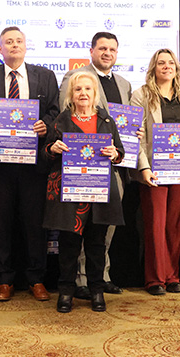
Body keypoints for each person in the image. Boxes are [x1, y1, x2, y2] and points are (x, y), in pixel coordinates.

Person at [0, 26, 60, 302]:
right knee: (0, 222)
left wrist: (44, 125)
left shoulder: (45, 76)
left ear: (26, 46)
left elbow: (56, 112)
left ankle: (36, 279)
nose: (14, 46)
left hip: (34, 163)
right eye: (8, 42)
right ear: (0, 49)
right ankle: (4, 280)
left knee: (35, 223)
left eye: (18, 41)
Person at [42, 70, 124, 313]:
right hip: (70, 195)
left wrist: (114, 154)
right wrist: (53, 148)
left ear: (95, 93)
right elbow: (45, 154)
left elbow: (120, 153)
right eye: (78, 89)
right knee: (68, 245)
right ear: (71, 94)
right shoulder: (61, 121)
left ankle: (97, 290)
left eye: (88, 89)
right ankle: (66, 291)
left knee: (96, 245)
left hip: (99, 195)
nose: (83, 93)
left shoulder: (106, 121)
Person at [58, 32, 132, 298]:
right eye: (102, 48)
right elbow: (64, 122)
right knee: (76, 230)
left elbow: (121, 130)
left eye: (112, 49)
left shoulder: (123, 83)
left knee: (102, 230)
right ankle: (79, 281)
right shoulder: (76, 77)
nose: (107, 53)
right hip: (77, 174)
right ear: (91, 51)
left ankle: (100, 277)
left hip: (109, 171)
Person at [131, 48, 180, 296]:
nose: (166, 66)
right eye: (161, 63)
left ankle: (172, 276)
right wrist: (144, 167)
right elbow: (135, 136)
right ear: (154, 67)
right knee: (155, 225)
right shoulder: (141, 95)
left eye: (170, 62)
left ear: (176, 68)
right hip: (154, 171)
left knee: (175, 226)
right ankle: (154, 279)